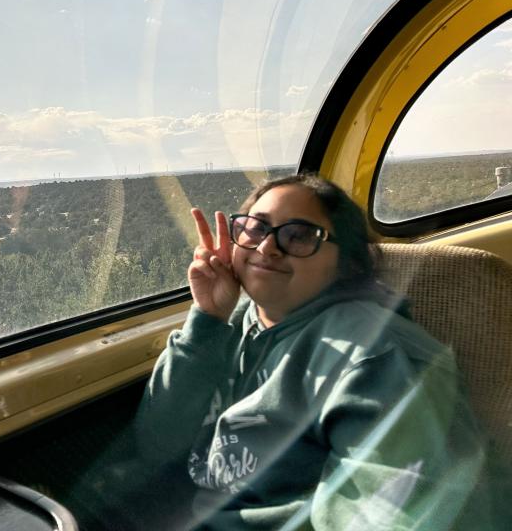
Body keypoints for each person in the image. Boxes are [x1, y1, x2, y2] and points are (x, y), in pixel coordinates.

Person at [133, 173, 489, 530]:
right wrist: (207, 319)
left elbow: (394, 517)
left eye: (299, 235)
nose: (267, 247)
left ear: (347, 260)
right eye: (256, 228)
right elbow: (158, 444)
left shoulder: (377, 355)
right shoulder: (235, 321)